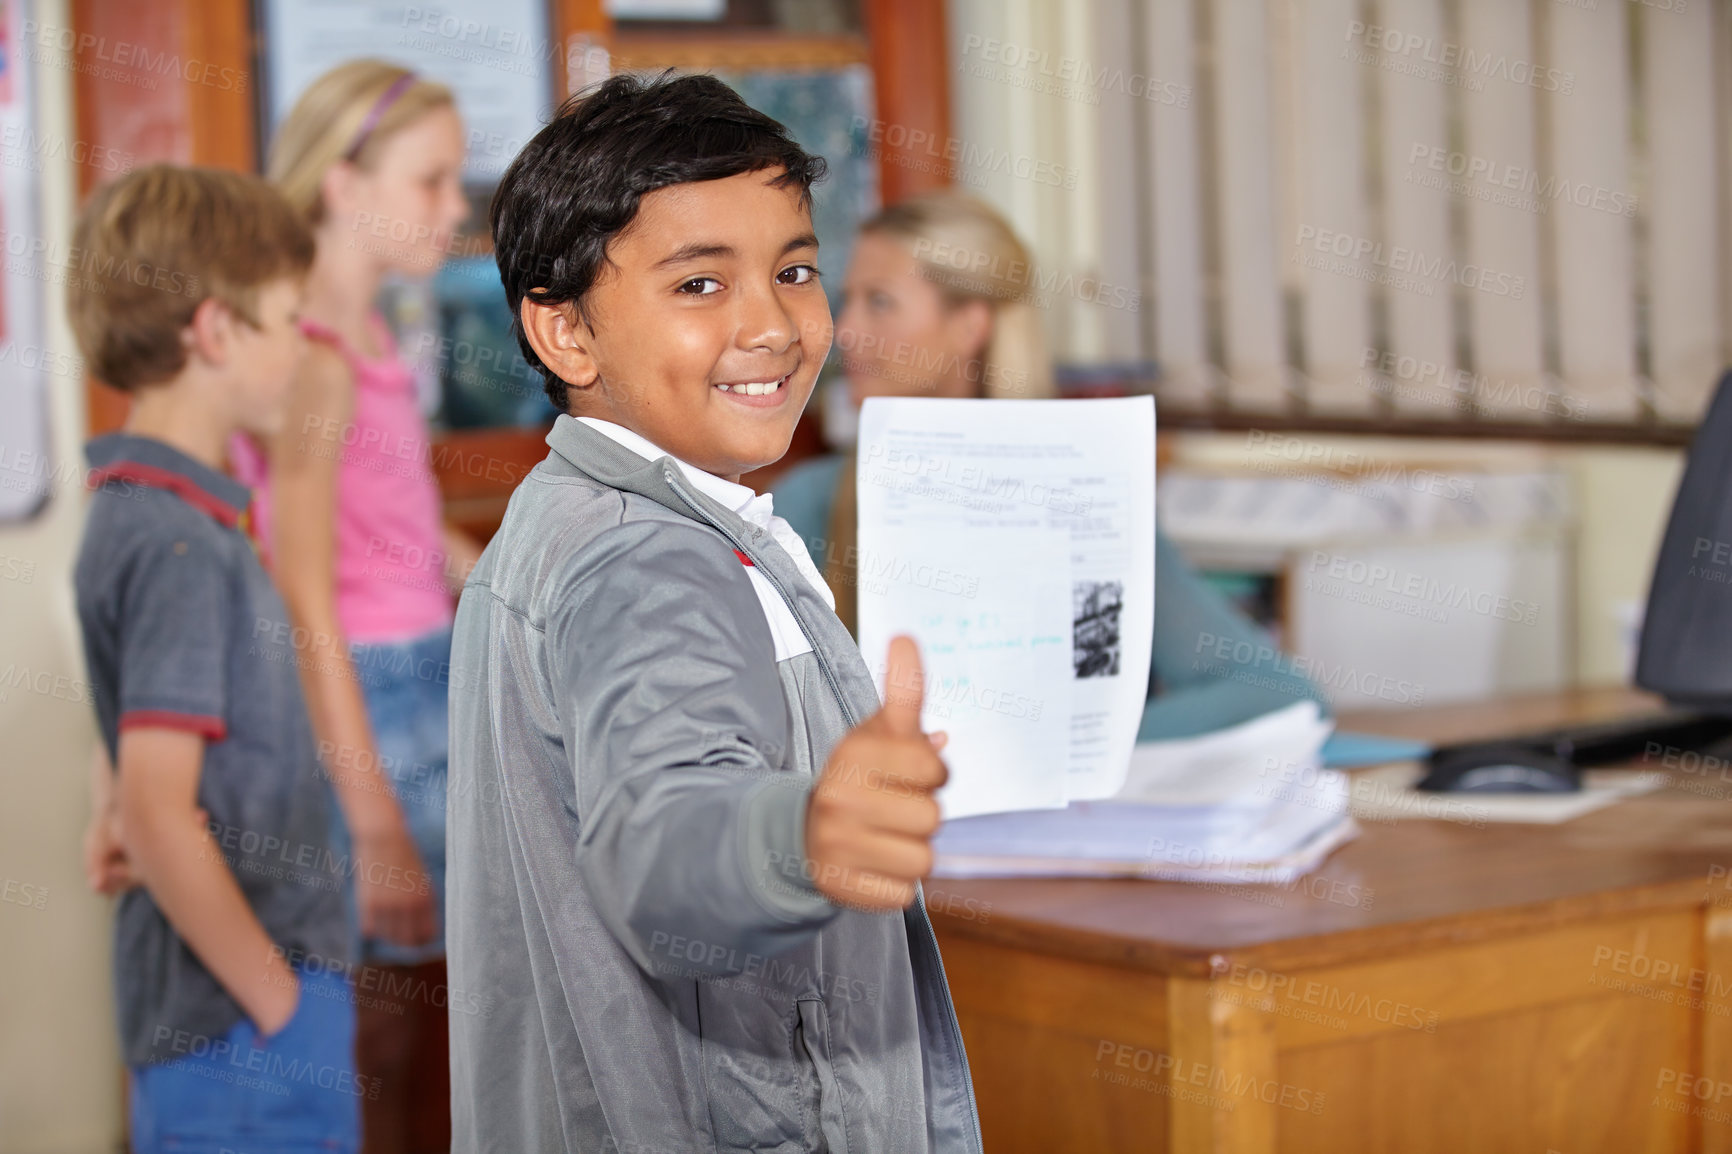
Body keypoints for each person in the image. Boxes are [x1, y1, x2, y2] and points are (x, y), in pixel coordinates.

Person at [446, 72, 982, 1152]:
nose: (774, 325)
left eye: (793, 270)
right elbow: (661, 832)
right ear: (565, 334)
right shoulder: (644, 557)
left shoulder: (598, 515)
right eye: (698, 285)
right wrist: (802, 836)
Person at [773, 191, 1329, 740]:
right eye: (847, 300)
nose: (844, 332)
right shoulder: (809, 503)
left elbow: (1278, 694)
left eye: (881, 301)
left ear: (970, 325)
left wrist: (1078, 751)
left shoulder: (1082, 497)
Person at [71, 165, 359, 1153]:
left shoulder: (145, 506)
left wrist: (111, 788)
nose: (303, 344)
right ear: (215, 330)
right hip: (244, 1028)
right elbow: (160, 811)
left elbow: (137, 724)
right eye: (286, 318)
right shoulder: (180, 541)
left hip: (228, 1016)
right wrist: (277, 999)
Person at [229, 60, 478, 1153]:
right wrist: (370, 811)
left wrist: (503, 572)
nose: (456, 206)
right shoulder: (315, 363)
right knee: (370, 1022)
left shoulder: (375, 333)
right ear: (341, 184)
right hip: (363, 707)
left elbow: (398, 529)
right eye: (432, 181)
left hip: (426, 672)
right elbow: (303, 589)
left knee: (411, 1013)